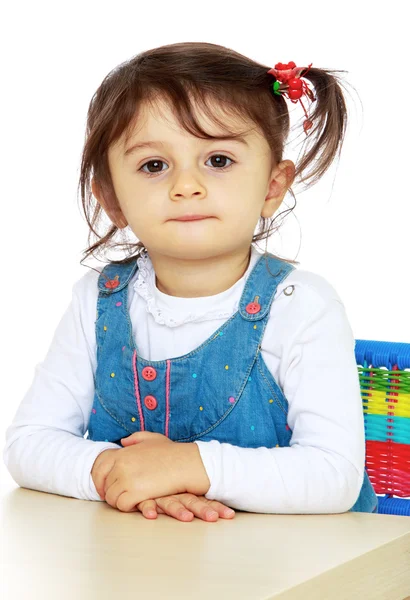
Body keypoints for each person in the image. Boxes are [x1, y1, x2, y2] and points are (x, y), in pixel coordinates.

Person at [3, 41, 378, 522]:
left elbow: (333, 477)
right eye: (154, 166)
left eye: (218, 160)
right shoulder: (97, 301)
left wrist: (186, 466)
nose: (186, 185)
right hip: (143, 565)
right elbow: (29, 442)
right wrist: (120, 473)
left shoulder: (301, 305)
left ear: (272, 186)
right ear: (112, 199)